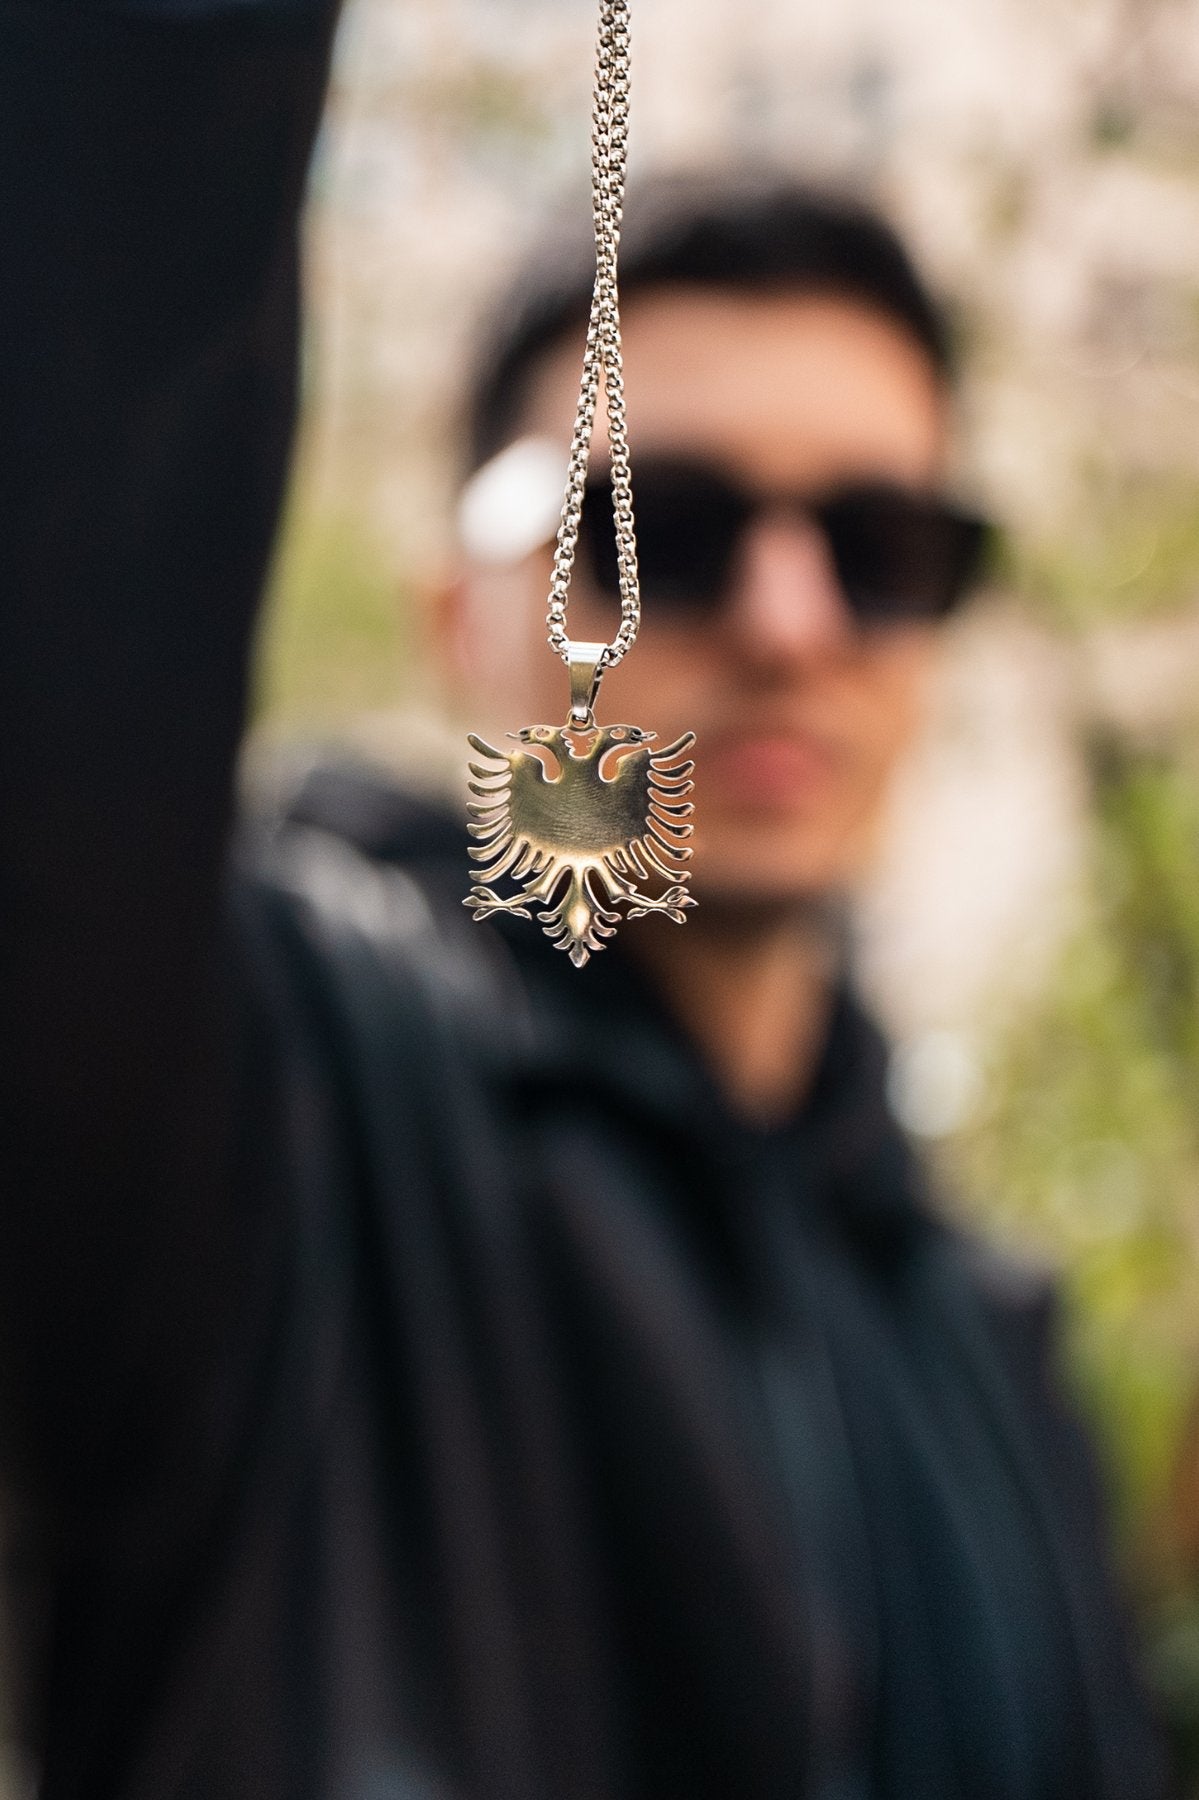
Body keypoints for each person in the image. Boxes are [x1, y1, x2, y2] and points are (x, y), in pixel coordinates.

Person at [0, 6, 1171, 1798]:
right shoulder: (258, 1106)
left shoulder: (989, 1344)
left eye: (879, 551)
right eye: (658, 530)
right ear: (463, 610)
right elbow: (90, 436)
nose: (791, 628)